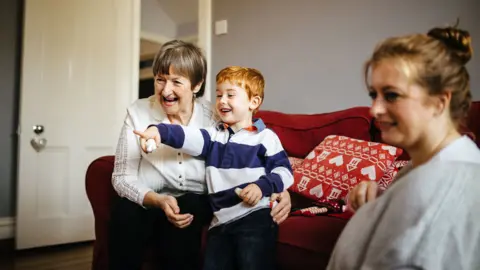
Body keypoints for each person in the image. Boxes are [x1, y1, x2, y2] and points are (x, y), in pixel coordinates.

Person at [108, 41, 292, 270]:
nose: (166, 90)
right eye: (160, 79)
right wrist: (158, 200)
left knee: (188, 208)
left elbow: (251, 152)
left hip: (198, 200)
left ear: (196, 85)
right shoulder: (138, 113)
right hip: (151, 198)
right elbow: (121, 177)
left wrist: (276, 188)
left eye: (176, 82)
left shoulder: (216, 116)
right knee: (125, 213)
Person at [327, 25, 480, 270]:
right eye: (373, 94)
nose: (374, 110)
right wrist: (379, 203)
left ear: (440, 101)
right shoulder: (423, 168)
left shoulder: (446, 191)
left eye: (391, 95)